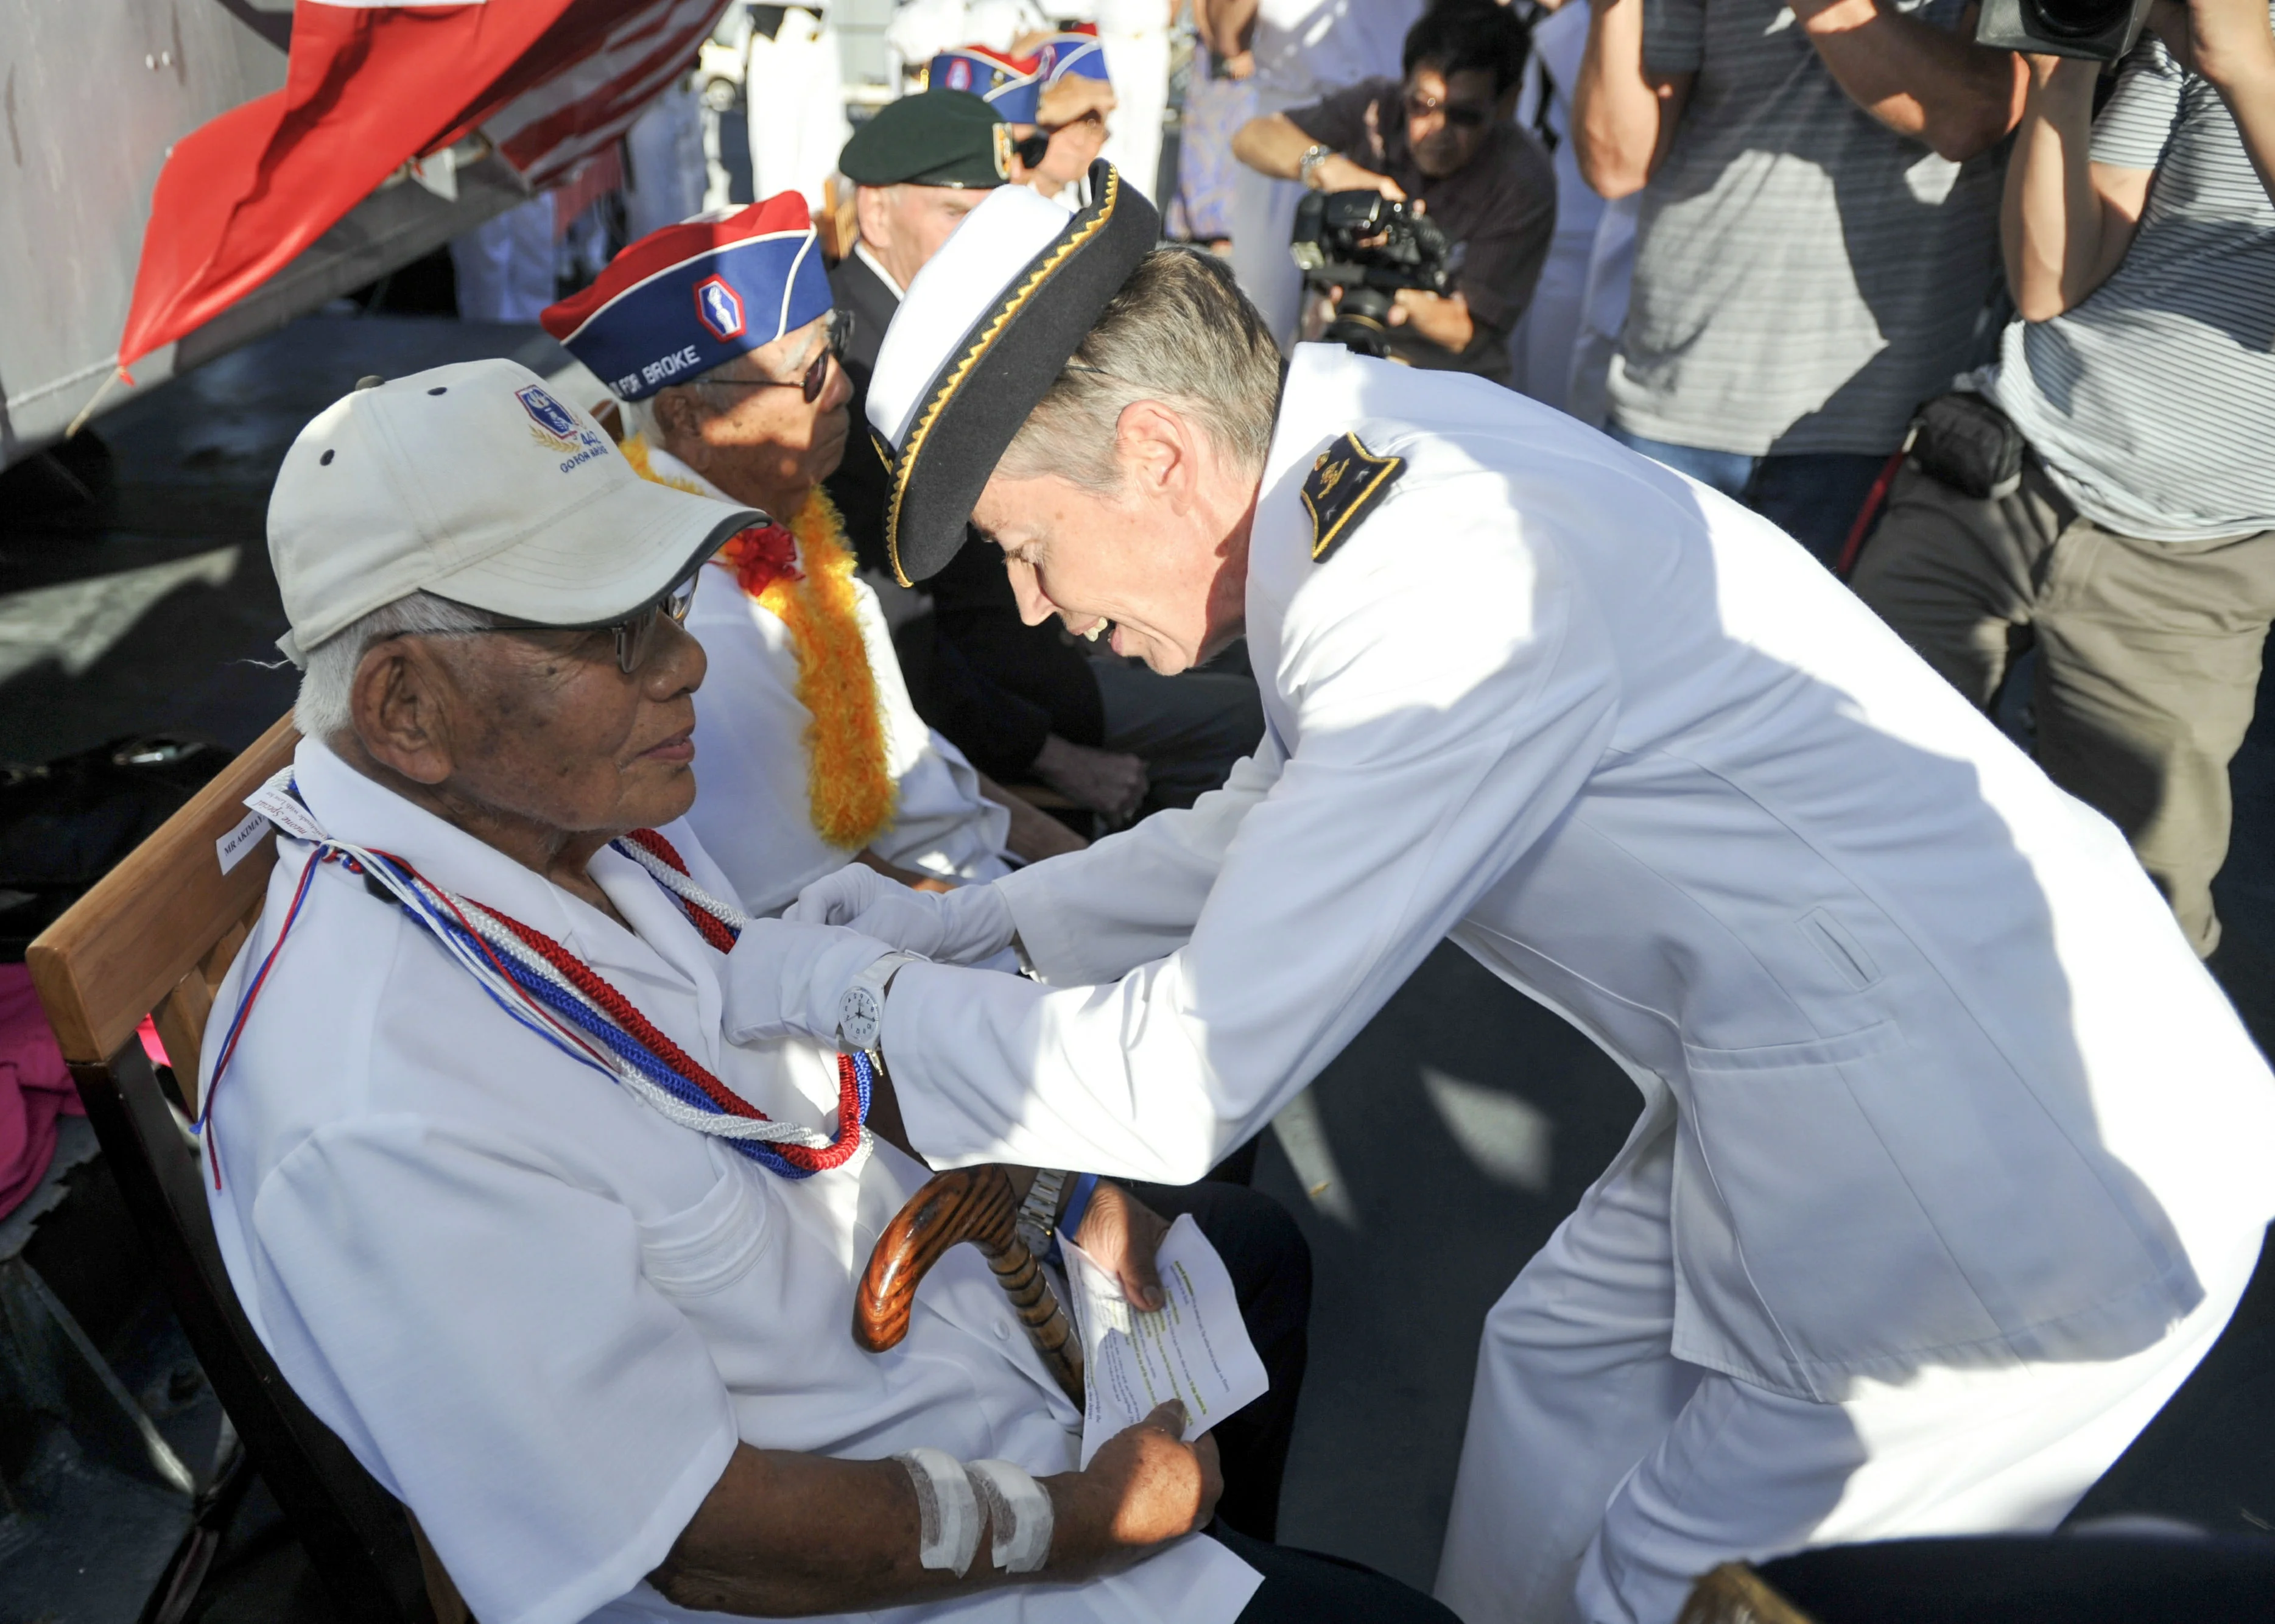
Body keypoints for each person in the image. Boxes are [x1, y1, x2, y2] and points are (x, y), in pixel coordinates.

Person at [730, 169, 2275, 1623]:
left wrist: (855, 999)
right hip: (1812, 1061)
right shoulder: (1364, 475)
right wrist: (969, 925)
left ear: (1153, 452)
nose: (1032, 604)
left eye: (1023, 543)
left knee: (1678, 1583)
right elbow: (1263, 821)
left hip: (1997, 1174)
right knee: (1554, 1374)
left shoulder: (1427, 582)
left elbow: (1172, 1089)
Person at [203, 359, 1450, 1624]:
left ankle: (1223, 1550)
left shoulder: (555, 810)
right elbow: (705, 1537)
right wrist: (1084, 1519)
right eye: (612, 630)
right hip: (849, 1567)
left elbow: (789, 1057)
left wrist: (1060, 1192)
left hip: (943, 1333)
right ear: (405, 708)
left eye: (671, 603)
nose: (685, 661)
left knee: (1252, 1263)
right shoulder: (373, 1101)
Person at [1852, 0, 2275, 964]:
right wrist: (2068, 58)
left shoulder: (2237, 43)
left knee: (2134, 926)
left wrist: (2244, 68)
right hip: (2002, 473)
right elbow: (2055, 282)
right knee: (1845, 808)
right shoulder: (2227, 30)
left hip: (2194, 563)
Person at [538, 195, 1036, 912]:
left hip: (972, 886)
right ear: (688, 415)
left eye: (835, 348)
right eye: (806, 373)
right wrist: (1037, 921)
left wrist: (1065, 862)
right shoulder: (694, 617)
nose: (840, 387)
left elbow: (918, 766)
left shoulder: (786, 528)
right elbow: (826, 892)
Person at [1570, 0, 2022, 561]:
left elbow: (1973, 113)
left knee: (1819, 651)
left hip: (1868, 418)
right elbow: (1617, 163)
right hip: (1673, 396)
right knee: (1625, 643)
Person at [1231, 0, 1553, 382]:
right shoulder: (1377, 107)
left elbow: (1470, 330)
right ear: (1405, 83)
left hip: (1446, 379)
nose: (1438, 132)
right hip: (1335, 345)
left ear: (1508, 103)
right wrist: (1331, 170)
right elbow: (1251, 138)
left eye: (1464, 115)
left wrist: (1384, 291)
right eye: (1422, 106)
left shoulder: (1523, 180)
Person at [1208, 0, 1424, 344]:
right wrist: (1327, 169)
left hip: (1402, 130)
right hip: (1284, 134)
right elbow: (1228, 41)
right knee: (1260, 312)